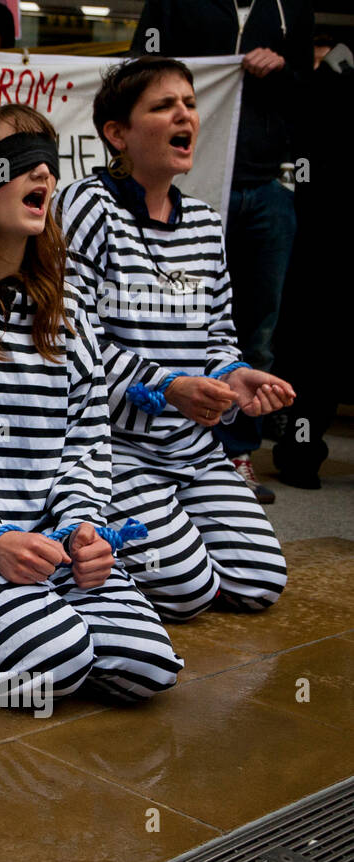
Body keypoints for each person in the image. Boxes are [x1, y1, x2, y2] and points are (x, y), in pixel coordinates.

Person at [0, 104, 183, 703]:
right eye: (22, 161)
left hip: (54, 547)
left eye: (49, 161)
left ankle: (37, 638)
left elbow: (87, 440)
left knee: (148, 668)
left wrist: (82, 526)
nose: (44, 176)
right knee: (61, 660)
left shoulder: (66, 307)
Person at [54, 56, 290, 622]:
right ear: (118, 134)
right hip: (116, 451)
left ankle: (164, 544)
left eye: (189, 103)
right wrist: (166, 386)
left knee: (261, 584)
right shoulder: (88, 207)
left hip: (194, 451)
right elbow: (69, 342)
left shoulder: (207, 225)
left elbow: (219, 336)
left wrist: (234, 377)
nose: (185, 115)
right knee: (187, 593)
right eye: (163, 106)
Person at [129, 0, 314, 502]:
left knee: (256, 326)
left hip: (270, 181)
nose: (182, 111)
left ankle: (236, 452)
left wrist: (283, 71)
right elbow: (139, 66)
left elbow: (307, 90)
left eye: (187, 103)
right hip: (205, 177)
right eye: (173, 105)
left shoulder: (290, 8)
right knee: (162, 309)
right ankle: (153, 445)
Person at [269, 34, 354, 488]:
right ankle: (301, 451)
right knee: (318, 347)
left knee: (318, 348)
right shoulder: (334, 77)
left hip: (325, 230)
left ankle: (301, 450)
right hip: (327, 232)